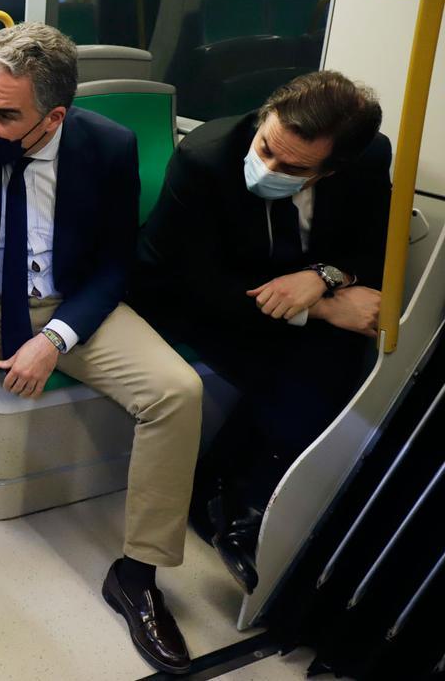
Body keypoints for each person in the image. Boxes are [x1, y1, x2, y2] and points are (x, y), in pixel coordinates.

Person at [0, 22, 203, 676]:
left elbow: (113, 266)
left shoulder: (109, 147)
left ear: (54, 115)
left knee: (177, 391)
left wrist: (55, 340)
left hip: (71, 304)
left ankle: (138, 575)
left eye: (2, 112)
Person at [131, 70, 390, 592]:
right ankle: (232, 506)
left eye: (292, 166)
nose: (267, 167)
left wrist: (324, 279)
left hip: (290, 288)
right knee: (308, 363)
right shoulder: (205, 158)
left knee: (341, 358)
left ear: (332, 169)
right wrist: (320, 309)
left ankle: (231, 499)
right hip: (189, 296)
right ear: (264, 117)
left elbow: (373, 245)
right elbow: (196, 281)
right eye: (266, 147)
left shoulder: (367, 160)